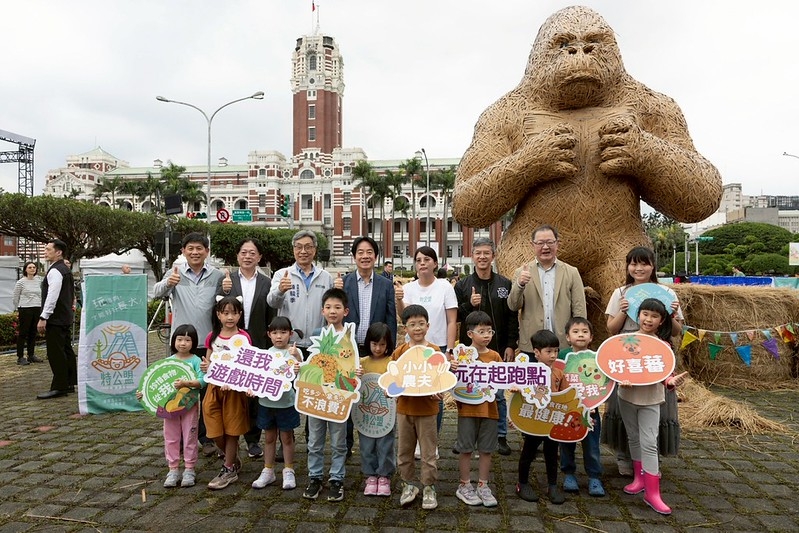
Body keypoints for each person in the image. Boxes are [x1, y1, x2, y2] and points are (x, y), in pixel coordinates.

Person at [603, 246, 683, 476]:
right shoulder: (620, 293)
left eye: (644, 263)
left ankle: (651, 460)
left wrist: (673, 316)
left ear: (653, 266)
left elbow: (675, 332)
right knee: (623, 404)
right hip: (627, 354)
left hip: (656, 355)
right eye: (633, 264)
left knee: (655, 405)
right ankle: (624, 457)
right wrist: (622, 311)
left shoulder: (667, 293)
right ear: (627, 267)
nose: (638, 268)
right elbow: (611, 329)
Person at [153, 232, 228, 457]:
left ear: (207, 251)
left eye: (199, 248)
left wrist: (226, 287)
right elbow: (155, 293)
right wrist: (168, 283)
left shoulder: (216, 275)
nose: (195, 252)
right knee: (180, 390)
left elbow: (225, 303)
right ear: (183, 251)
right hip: (181, 343)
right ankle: (182, 436)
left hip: (208, 343)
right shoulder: (174, 273)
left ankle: (205, 437)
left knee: (206, 392)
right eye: (190, 248)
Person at [619, 298, 688, 515]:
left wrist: (671, 382)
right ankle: (639, 478)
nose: (648, 319)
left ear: (661, 321)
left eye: (654, 316)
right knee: (633, 436)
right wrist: (619, 378)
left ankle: (653, 493)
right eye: (645, 314)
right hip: (626, 395)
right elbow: (614, 365)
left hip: (651, 398)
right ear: (637, 315)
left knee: (649, 442)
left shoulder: (663, 345)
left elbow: (666, 374)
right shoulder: (624, 340)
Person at [454, 237, 519, 455]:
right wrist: (468, 305)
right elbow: (456, 317)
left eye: (486, 253)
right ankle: (465, 438)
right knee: (467, 392)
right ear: (472, 256)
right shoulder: (462, 284)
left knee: (498, 395)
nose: (482, 257)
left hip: (497, 350)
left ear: (493, 256)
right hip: (469, 353)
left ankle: (500, 436)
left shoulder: (504, 284)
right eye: (478, 253)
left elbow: (512, 317)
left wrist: (511, 344)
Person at [395, 246, 457, 445]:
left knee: (435, 395)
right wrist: (398, 300)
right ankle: (413, 441)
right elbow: (403, 316)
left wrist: (449, 350)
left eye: (427, 259)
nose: (422, 263)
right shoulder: (409, 288)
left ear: (435, 264)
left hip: (436, 348)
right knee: (414, 392)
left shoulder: (445, 286)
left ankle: (432, 441)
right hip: (412, 350)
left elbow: (451, 321)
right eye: (419, 259)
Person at [221, 238, 275, 460]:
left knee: (253, 395)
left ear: (259, 257)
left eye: (253, 253)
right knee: (231, 394)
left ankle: (253, 440)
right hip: (229, 345)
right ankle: (228, 439)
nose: (248, 256)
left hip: (257, 345)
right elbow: (218, 310)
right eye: (244, 252)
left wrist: (270, 345)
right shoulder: (226, 281)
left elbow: (271, 314)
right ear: (237, 256)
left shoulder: (267, 283)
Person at [343, 236, 397, 456]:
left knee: (375, 397)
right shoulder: (344, 282)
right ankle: (346, 446)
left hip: (376, 352)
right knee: (347, 397)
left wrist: (389, 351)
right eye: (360, 252)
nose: (365, 256)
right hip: (350, 351)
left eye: (369, 252)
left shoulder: (385, 284)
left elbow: (391, 318)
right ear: (354, 256)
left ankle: (376, 444)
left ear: (376, 256)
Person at [137, 324, 205, 488]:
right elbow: (153, 385)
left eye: (187, 340)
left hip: (190, 406)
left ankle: (189, 468)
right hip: (169, 409)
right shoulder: (167, 362)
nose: (183, 343)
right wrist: (143, 395)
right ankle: (173, 469)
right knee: (171, 436)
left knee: (189, 436)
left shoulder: (196, 361)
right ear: (174, 341)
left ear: (193, 342)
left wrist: (186, 383)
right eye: (180, 339)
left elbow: (202, 381)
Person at [302, 288, 351, 503]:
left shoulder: (348, 336)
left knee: (339, 441)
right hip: (316, 395)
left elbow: (351, 364)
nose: (333, 311)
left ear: (346, 311)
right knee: (315, 440)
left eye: (337, 307)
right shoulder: (316, 335)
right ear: (322, 311)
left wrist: (355, 373)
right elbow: (309, 364)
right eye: (329, 307)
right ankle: (315, 477)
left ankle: (337, 478)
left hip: (339, 396)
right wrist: (299, 366)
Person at [393, 304, 442, 510]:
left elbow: (441, 379)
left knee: (428, 453)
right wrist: (391, 390)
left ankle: (429, 487)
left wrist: (439, 392)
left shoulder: (435, 351)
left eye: (421, 323)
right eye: (412, 324)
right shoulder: (399, 352)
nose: (417, 328)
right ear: (405, 328)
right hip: (405, 410)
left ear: (428, 326)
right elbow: (393, 379)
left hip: (428, 410)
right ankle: (408, 484)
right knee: (404, 451)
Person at [452, 311, 502, 508]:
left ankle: (483, 485)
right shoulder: (460, 355)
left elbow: (503, 380)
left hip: (490, 410)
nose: (487, 335)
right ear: (470, 334)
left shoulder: (495, 356)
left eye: (490, 331)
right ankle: (464, 485)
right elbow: (453, 382)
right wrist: (452, 367)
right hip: (467, 410)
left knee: (486, 449)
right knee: (465, 449)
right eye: (482, 331)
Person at [508, 225, 586, 351]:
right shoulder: (521, 272)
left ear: (557, 244)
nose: (545, 247)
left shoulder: (571, 272)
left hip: (563, 344)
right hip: (532, 345)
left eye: (550, 242)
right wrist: (520, 284)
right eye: (540, 243)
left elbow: (579, 310)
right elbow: (513, 306)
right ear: (532, 245)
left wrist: (578, 339)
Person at [201, 296, 251, 490]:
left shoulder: (243, 337)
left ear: (240, 314)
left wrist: (236, 382)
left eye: (234, 312)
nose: (230, 317)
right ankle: (231, 456)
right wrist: (207, 367)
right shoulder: (212, 337)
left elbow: (247, 365)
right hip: (214, 387)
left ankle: (228, 468)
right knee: (213, 428)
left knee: (232, 429)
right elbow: (208, 362)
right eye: (226, 312)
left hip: (235, 390)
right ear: (218, 314)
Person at [251, 317, 302, 491]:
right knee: (269, 437)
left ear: (290, 334)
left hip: (286, 403)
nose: (279, 336)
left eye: (283, 332)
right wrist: (252, 388)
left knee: (287, 437)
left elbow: (301, 369)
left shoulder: (294, 353)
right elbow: (256, 377)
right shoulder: (264, 355)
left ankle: (289, 469)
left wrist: (297, 360)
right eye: (274, 333)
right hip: (266, 402)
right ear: (269, 335)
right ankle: (268, 470)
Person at [516, 329, 567, 504]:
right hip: (533, 421)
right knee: (528, 451)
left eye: (556, 351)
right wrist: (517, 389)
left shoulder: (559, 373)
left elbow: (565, 395)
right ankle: (522, 483)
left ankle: (552, 485)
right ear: (536, 353)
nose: (553, 355)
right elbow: (518, 394)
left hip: (552, 421)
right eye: (548, 351)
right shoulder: (529, 373)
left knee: (552, 452)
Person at [267, 230, 336, 356]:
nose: (303, 251)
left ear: (314, 250)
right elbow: (272, 302)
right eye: (299, 247)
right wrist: (280, 290)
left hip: (318, 343)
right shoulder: (282, 274)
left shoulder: (325, 277)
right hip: (289, 343)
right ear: (293, 250)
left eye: (308, 247)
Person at [558, 317, 605, 497]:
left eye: (585, 332)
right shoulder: (562, 356)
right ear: (568, 337)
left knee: (591, 445)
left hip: (590, 410)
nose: (580, 335)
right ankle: (569, 474)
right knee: (567, 443)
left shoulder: (597, 358)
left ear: (591, 337)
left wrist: (595, 404)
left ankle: (594, 476)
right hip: (568, 410)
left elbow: (603, 386)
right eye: (576, 332)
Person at [358, 322, 396, 497]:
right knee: (366, 445)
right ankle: (370, 475)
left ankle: (384, 476)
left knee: (385, 444)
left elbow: (397, 385)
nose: (378, 348)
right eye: (374, 344)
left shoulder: (392, 363)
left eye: (382, 344)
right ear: (368, 343)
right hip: (364, 414)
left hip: (386, 414)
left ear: (388, 344)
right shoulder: (361, 363)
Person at [36, 239, 76, 399]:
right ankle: (68, 383)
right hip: (65, 316)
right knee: (66, 350)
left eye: (48, 249)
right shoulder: (64, 269)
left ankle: (59, 386)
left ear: (58, 252)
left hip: (55, 318)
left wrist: (43, 317)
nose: (45, 251)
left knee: (56, 353)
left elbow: (52, 296)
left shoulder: (55, 271)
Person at [13, 261, 43, 365]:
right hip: (25, 308)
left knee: (33, 332)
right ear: (25, 269)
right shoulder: (21, 282)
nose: (32, 269)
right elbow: (15, 297)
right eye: (30, 267)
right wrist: (18, 308)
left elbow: (42, 295)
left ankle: (31, 355)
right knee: (23, 333)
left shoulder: (39, 280)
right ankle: (20, 357)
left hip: (37, 307)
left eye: (34, 267)